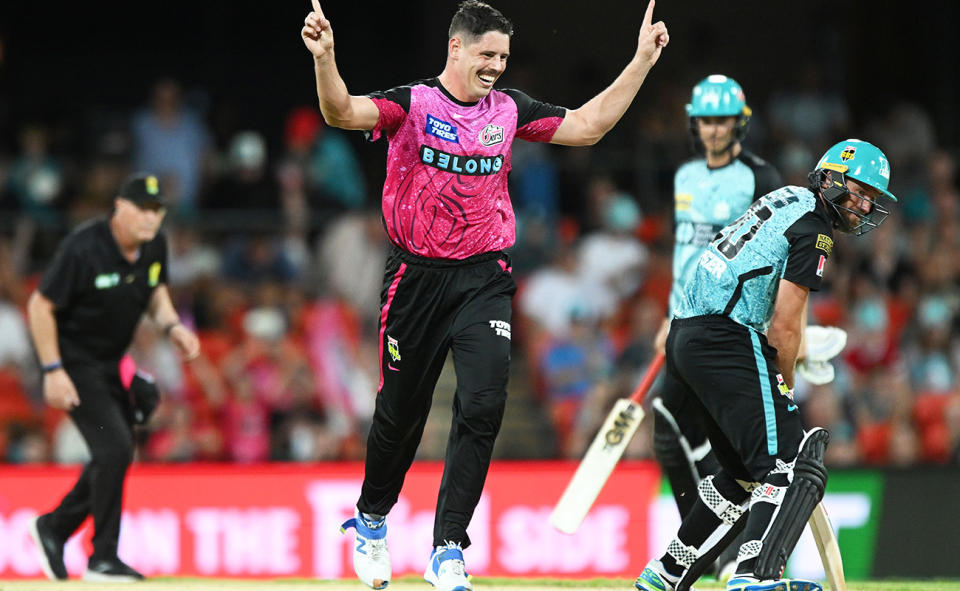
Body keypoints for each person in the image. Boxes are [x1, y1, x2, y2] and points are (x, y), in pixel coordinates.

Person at [300, 2, 668, 590]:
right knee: (400, 414)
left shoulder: (509, 109)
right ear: (455, 47)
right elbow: (341, 111)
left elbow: (589, 125)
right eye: (487, 53)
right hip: (414, 278)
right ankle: (371, 521)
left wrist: (642, 61)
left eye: (503, 56)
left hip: (484, 278)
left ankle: (448, 547)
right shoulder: (412, 103)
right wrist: (326, 60)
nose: (496, 65)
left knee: (484, 403)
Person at [634, 139, 896, 591]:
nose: (864, 203)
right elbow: (784, 326)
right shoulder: (816, 230)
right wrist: (786, 387)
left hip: (688, 332)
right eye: (859, 189)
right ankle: (755, 575)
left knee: (740, 474)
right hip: (726, 337)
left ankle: (667, 571)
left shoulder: (787, 197)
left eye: (871, 197)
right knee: (793, 460)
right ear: (831, 178)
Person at [26, 172, 200, 582]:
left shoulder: (154, 245)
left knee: (116, 451)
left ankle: (54, 528)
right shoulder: (84, 248)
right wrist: (52, 371)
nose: (150, 218)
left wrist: (172, 326)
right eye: (142, 208)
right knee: (116, 448)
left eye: (157, 211)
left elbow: (155, 290)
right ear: (119, 208)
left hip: (111, 360)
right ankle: (101, 558)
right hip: (73, 361)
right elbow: (39, 306)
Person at [651, 74, 782, 581]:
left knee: (704, 437)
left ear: (739, 122)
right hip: (685, 321)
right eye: (706, 120)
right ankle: (708, 545)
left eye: (722, 120)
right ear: (694, 123)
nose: (714, 130)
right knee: (672, 433)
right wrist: (669, 312)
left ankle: (710, 547)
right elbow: (685, 252)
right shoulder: (684, 176)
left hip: (731, 328)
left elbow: (776, 255)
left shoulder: (760, 177)